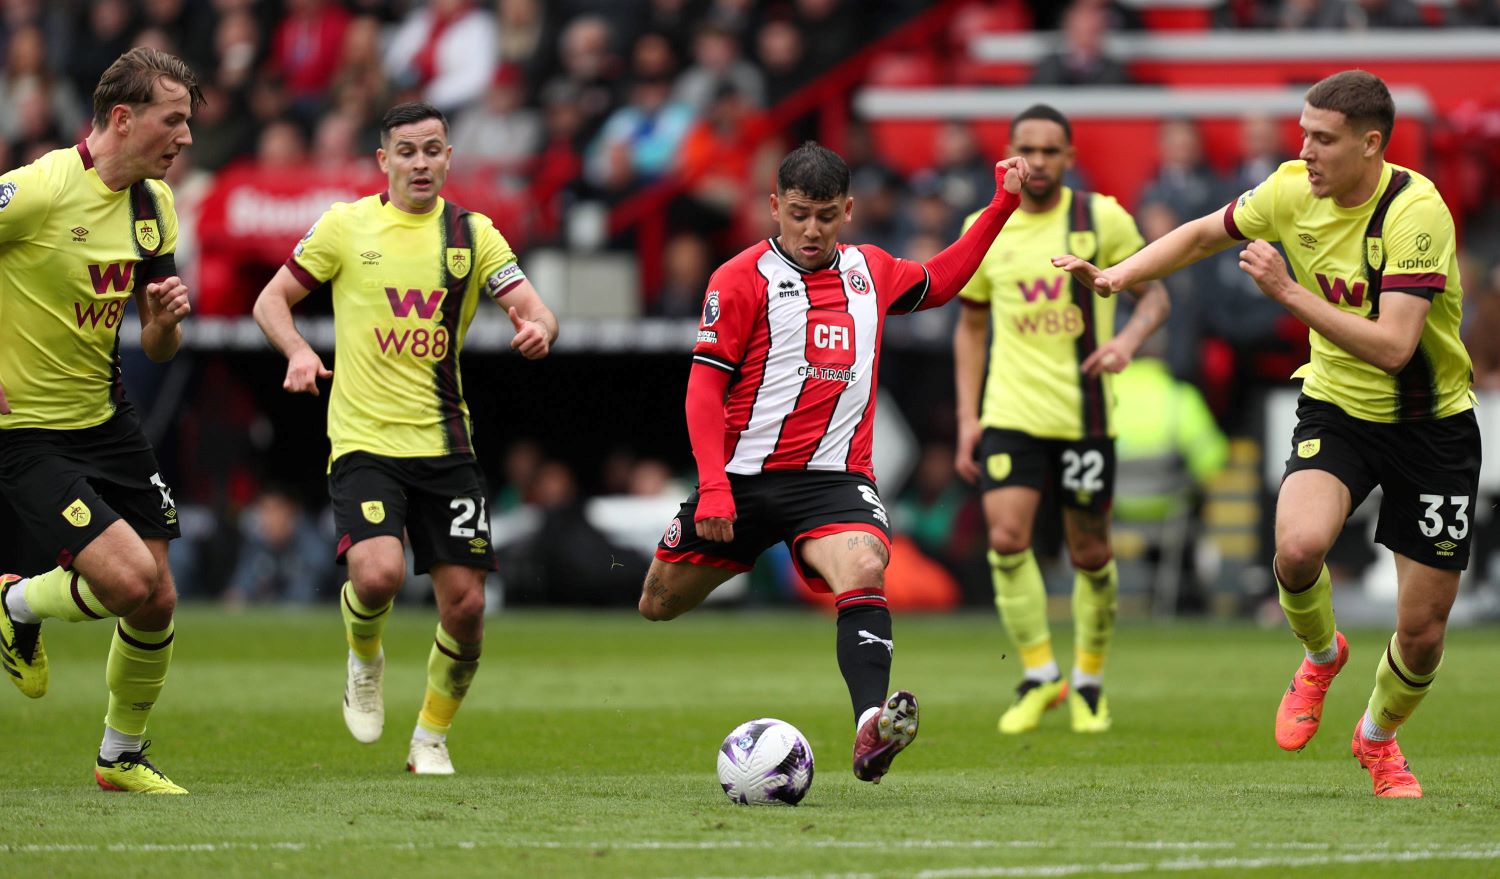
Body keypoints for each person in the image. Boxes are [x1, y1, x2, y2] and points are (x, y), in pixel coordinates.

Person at [1054, 70, 1477, 798]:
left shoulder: (1417, 214)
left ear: (1372, 145)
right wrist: (1117, 277)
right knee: (1297, 548)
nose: (1304, 151)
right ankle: (1320, 655)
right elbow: (1200, 234)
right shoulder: (1289, 190)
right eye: (1303, 133)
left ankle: (1377, 739)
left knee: (1422, 632)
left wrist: (1287, 293)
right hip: (1339, 408)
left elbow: (1395, 347)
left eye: (1323, 138)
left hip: (1429, 424)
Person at [639, 141, 1030, 784]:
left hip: (834, 482)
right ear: (773, 207)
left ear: (847, 210)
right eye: (798, 214)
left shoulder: (869, 272)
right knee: (657, 602)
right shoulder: (738, 280)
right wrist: (712, 489)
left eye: (825, 215)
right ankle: (730, 555)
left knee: (865, 565)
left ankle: (868, 728)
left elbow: (940, 282)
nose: (811, 229)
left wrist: (1000, 206)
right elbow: (703, 388)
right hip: (740, 482)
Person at [252, 101, 558, 776]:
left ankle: (430, 737)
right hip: (364, 438)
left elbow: (533, 306)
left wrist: (539, 328)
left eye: (433, 150)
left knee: (468, 606)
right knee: (379, 572)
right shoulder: (345, 225)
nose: (421, 163)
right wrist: (298, 353)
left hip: (447, 446)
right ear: (383, 161)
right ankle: (365, 658)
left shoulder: (474, 235)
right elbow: (270, 300)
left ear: (450, 157)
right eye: (408, 151)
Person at [0, 47, 203, 794]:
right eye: (173, 120)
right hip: (26, 431)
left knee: (159, 597)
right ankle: (13, 602)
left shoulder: (154, 204)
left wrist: (163, 325)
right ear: (123, 118)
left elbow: (157, 339)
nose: (185, 138)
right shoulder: (37, 189)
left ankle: (120, 754)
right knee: (127, 580)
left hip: (107, 418)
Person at [953, 104, 1170, 736]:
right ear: (1008, 152)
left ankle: (1089, 681)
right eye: (1028, 149)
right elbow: (969, 326)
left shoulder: (1099, 218)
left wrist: (1127, 341)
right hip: (1010, 412)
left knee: (1091, 550)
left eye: (1051, 151)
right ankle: (1038, 674)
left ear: (1069, 158)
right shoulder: (983, 224)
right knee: (1005, 538)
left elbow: (1155, 293)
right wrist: (968, 416)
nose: (1039, 162)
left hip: (1084, 415)